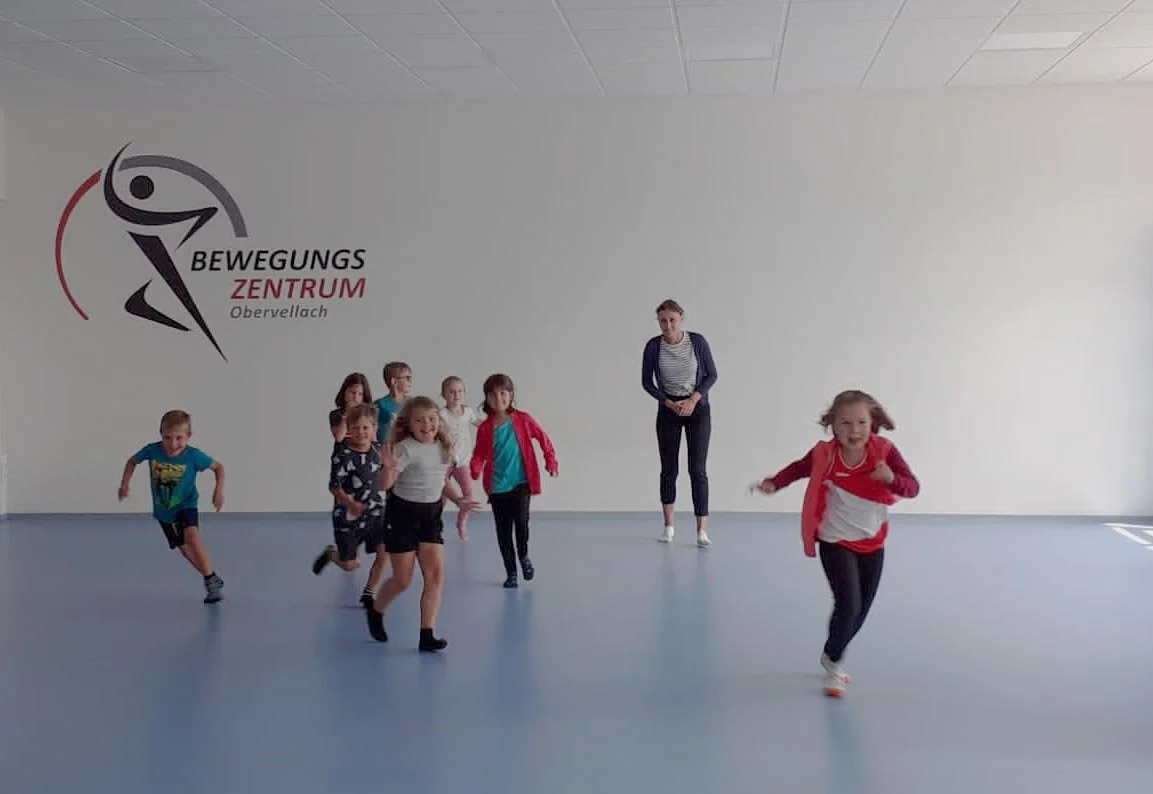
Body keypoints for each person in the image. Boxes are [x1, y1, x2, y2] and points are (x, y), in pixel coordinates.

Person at [753, 390, 920, 698]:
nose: (854, 431)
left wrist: (891, 479)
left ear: (872, 423)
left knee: (861, 610)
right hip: (835, 540)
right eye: (845, 423)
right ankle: (835, 665)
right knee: (848, 603)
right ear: (832, 424)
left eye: (861, 422)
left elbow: (913, 488)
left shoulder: (884, 451)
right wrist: (774, 483)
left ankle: (832, 651)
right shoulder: (825, 454)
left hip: (873, 542)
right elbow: (799, 468)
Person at [367, 396, 479, 650]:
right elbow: (384, 485)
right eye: (419, 420)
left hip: (431, 515)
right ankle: (376, 610)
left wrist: (459, 500)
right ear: (409, 424)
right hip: (402, 516)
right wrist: (388, 468)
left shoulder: (443, 447)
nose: (427, 425)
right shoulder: (404, 448)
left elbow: (441, 480)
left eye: (431, 419)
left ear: (439, 421)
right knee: (402, 580)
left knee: (436, 576)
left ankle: (427, 635)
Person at [117, 409, 225, 604]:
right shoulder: (152, 450)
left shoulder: (194, 456)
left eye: (179, 438)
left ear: (188, 436)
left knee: (192, 537)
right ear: (161, 434)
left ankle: (210, 581)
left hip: (186, 504)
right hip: (164, 511)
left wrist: (218, 490)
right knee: (184, 549)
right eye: (167, 438)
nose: (173, 444)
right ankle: (212, 576)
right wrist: (125, 483)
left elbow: (218, 467)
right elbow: (132, 461)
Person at [640, 299, 718, 547]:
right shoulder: (654, 346)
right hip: (669, 411)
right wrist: (668, 402)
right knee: (669, 469)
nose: (668, 325)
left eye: (672, 320)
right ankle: (669, 526)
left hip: (697, 410)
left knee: (697, 470)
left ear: (681, 318)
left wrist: (694, 399)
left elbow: (711, 375)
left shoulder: (697, 342)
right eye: (663, 321)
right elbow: (647, 382)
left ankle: (701, 530)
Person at [469, 374, 558, 588]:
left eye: (503, 393)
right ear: (486, 399)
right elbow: (479, 453)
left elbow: (543, 438)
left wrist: (551, 461)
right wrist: (475, 467)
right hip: (498, 487)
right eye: (493, 394)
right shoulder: (485, 428)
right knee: (503, 532)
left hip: (521, 483)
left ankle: (524, 555)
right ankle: (511, 573)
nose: (498, 398)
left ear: (510, 395)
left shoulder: (523, 419)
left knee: (521, 524)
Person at [312, 403, 390, 609]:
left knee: (385, 552)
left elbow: (385, 479)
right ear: (349, 430)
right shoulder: (343, 455)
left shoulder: (378, 451)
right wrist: (351, 504)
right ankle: (332, 554)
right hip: (348, 516)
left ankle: (369, 592)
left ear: (374, 428)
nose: (361, 432)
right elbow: (334, 486)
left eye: (366, 427)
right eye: (355, 428)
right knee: (350, 565)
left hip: (376, 512)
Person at [439, 376, 482, 541]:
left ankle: (462, 522)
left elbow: (479, 424)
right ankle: (437, 524)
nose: (456, 395)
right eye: (451, 392)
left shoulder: (468, 412)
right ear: (444, 395)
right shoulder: (442, 414)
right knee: (442, 496)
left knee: (468, 492)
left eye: (459, 391)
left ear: (464, 393)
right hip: (445, 461)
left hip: (463, 461)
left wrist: (494, 426)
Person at [329, 372, 373, 452]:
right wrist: (347, 413)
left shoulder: (368, 415)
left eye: (360, 394)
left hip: (364, 455)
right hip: (343, 455)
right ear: (344, 392)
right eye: (353, 392)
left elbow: (373, 438)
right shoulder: (336, 414)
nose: (355, 397)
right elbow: (339, 437)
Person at [374, 361, 412, 445]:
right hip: (386, 449)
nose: (410, 381)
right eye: (407, 378)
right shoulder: (379, 405)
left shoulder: (413, 403)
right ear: (394, 381)